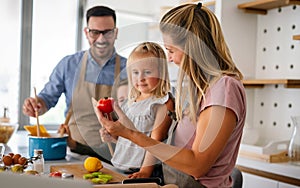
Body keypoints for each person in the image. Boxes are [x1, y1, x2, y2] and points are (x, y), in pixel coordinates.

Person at [95, 3, 246, 188]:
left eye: (172, 50)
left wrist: (129, 133)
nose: (169, 58)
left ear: (193, 47)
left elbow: (197, 165)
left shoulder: (224, 89)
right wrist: (122, 135)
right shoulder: (203, 89)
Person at [22, 6, 127, 163]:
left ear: (116, 33)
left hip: (117, 154)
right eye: (95, 32)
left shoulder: (130, 69)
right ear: (86, 32)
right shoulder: (69, 64)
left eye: (107, 32)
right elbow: (46, 100)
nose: (101, 39)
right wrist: (36, 105)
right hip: (75, 153)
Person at [100, 42, 174, 178]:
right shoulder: (129, 103)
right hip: (121, 169)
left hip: (147, 172)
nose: (140, 78)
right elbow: (127, 140)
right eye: (135, 72)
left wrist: (145, 172)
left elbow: (155, 143)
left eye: (147, 72)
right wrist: (113, 137)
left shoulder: (162, 103)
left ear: (161, 73)